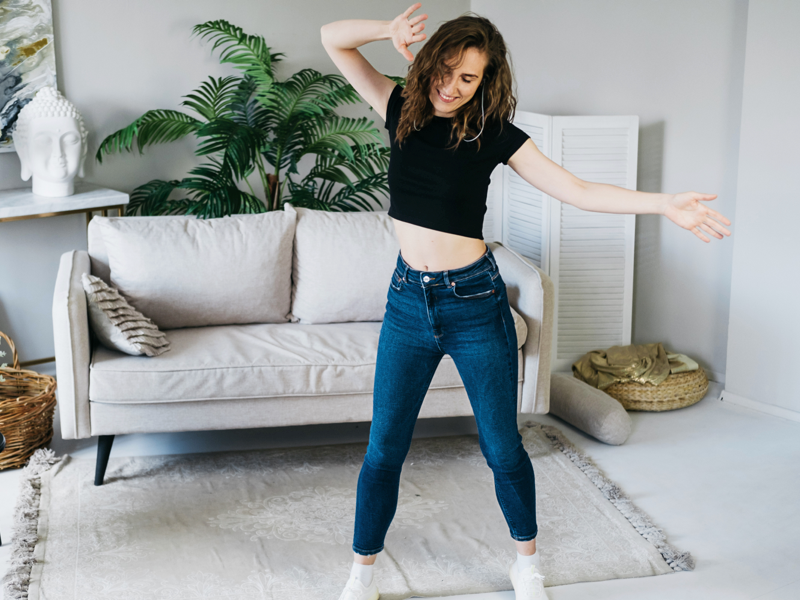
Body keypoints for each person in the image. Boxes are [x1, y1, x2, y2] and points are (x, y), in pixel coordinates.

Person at [321, 5, 731, 600]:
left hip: (475, 303)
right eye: (447, 70)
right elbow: (333, 40)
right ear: (428, 60)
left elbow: (579, 190)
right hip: (408, 302)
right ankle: (362, 574)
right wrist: (386, 31)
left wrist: (665, 203)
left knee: (502, 447)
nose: (452, 86)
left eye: (469, 78)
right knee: (384, 448)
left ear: (485, 83)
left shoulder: (493, 135)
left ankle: (525, 563)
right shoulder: (397, 108)